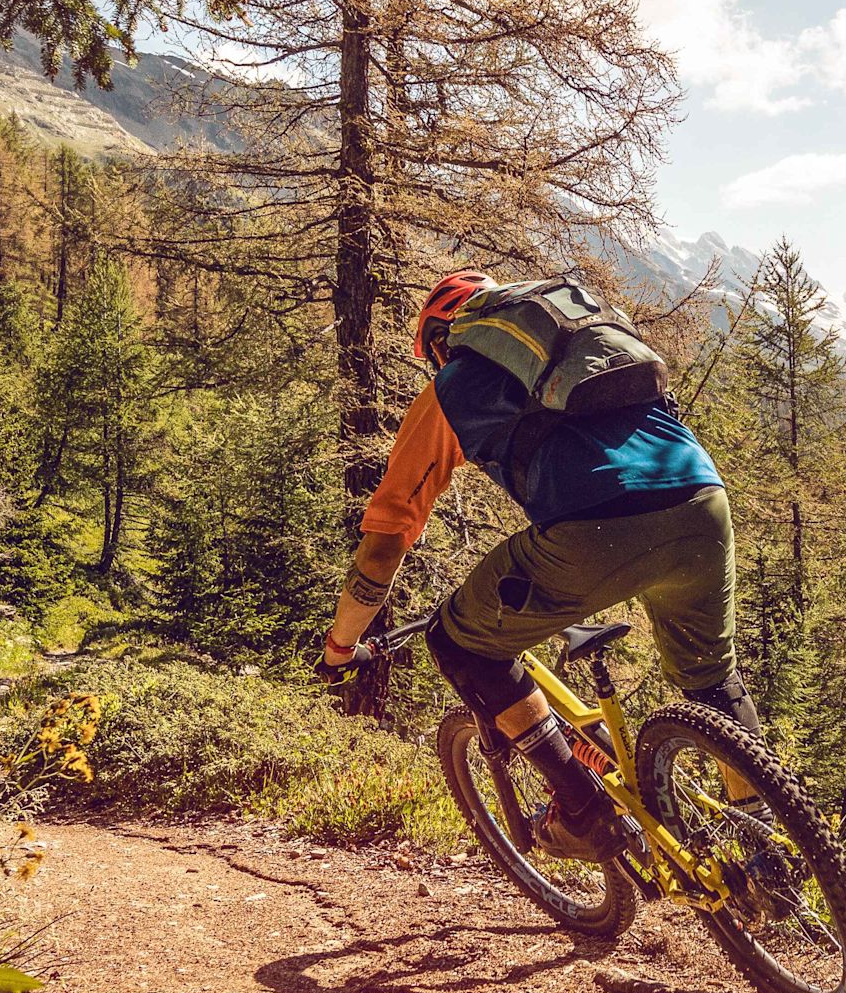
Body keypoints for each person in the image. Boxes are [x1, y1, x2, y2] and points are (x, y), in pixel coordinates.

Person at [320, 268, 764, 860]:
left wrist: (341, 648)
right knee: (712, 679)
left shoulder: (455, 384)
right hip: (703, 502)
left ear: (443, 341)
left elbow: (384, 542)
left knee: (459, 644)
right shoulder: (589, 354)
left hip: (594, 526)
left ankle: (583, 810)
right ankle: (771, 851)